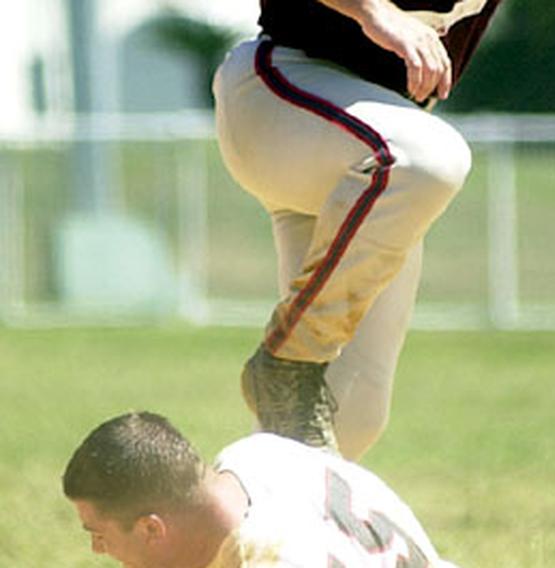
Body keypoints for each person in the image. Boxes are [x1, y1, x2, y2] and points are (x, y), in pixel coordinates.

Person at [212, 1, 503, 459]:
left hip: (370, 142)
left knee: (355, 413)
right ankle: (292, 356)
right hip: (285, 89)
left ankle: (237, 523)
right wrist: (373, 11)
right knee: (428, 160)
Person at [63, 411, 459, 567]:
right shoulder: (256, 454)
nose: (98, 550)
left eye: (98, 534)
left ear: (152, 528)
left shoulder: (271, 558)